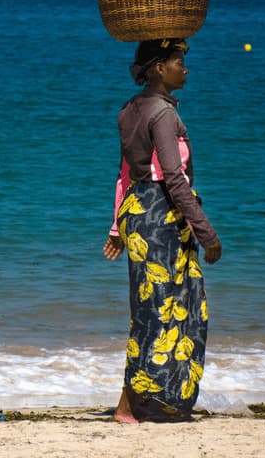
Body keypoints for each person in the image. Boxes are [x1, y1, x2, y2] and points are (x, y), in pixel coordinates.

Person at [102, 37, 222, 423]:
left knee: (149, 311)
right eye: (178, 62)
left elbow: (125, 175)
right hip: (161, 219)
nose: (185, 69)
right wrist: (206, 233)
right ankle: (132, 404)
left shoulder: (129, 109)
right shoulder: (163, 114)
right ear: (158, 69)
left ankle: (146, 401)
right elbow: (173, 178)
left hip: (137, 214)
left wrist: (117, 228)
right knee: (174, 311)